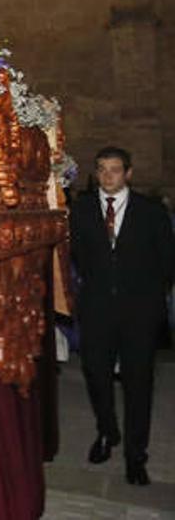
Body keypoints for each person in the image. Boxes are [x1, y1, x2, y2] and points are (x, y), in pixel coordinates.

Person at [69, 146, 175, 486]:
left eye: (115, 170)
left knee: (138, 386)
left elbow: (167, 263)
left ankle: (135, 456)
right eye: (101, 169)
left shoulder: (151, 211)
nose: (107, 176)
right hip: (97, 310)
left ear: (128, 173)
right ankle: (107, 432)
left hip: (139, 315)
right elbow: (80, 258)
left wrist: (147, 299)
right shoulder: (82, 210)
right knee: (96, 377)